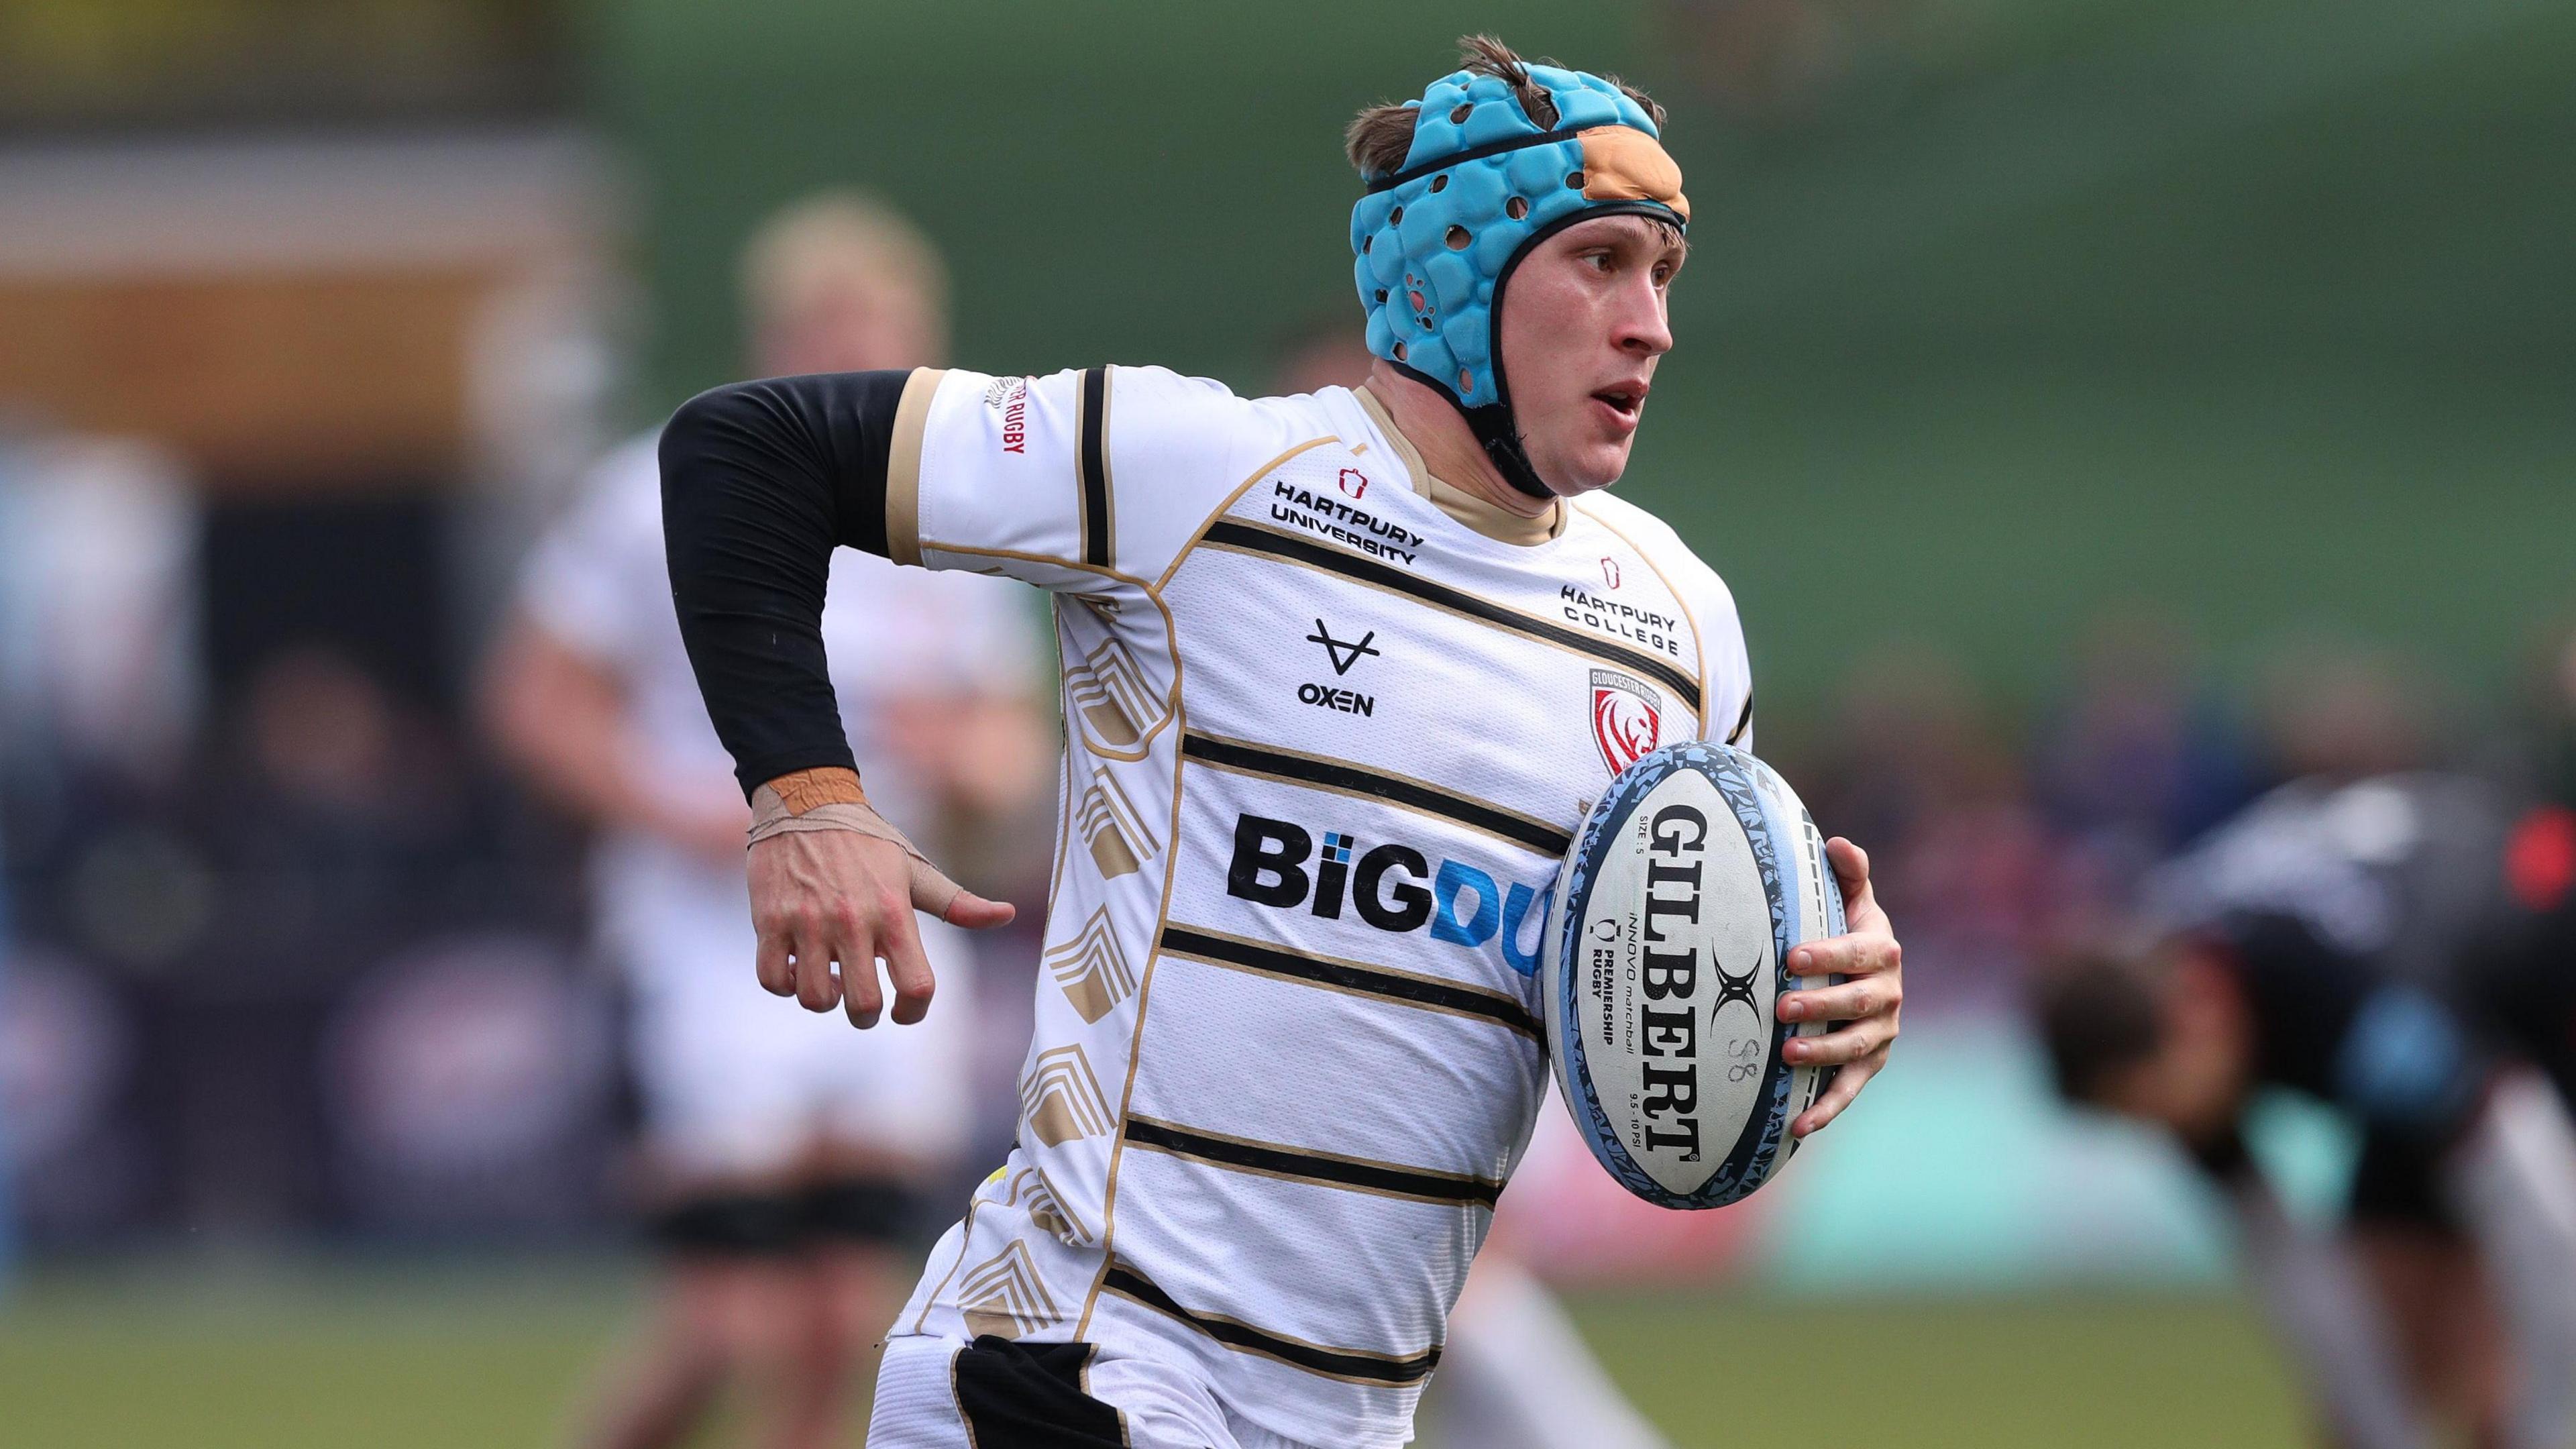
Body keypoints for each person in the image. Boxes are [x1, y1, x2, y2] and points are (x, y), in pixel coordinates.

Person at [659, 38, 1905, 1448]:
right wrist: (808, 797)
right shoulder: (1203, 475)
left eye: (1664, 274)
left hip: (1343, 1418)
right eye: (1602, 261)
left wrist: (1813, 1006)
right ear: (1459, 272)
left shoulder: (1681, 624)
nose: (1650, 324)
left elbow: (1636, 1009)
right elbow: (742, 452)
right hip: (1073, 1363)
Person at [486, 193, 1046, 1449]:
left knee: (848, 1319)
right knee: (724, 1324)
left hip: (888, 924)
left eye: (885, 334)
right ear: (773, 336)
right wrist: (681, 809)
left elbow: (1006, 742)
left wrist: (978, 761)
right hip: (707, 936)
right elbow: (538, 699)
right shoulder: (657, 493)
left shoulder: (950, 520)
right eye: (831, 326)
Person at [2035, 772, 2576, 1449]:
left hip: (2545, 987)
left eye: (2149, 1108)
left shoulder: (2341, 992)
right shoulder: (2169, 1005)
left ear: (2196, 1015)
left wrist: (2551, 1425)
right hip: (2450, 1047)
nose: (2162, 1134)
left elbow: (2537, 1201)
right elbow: (2295, 1272)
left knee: (2505, 1404)